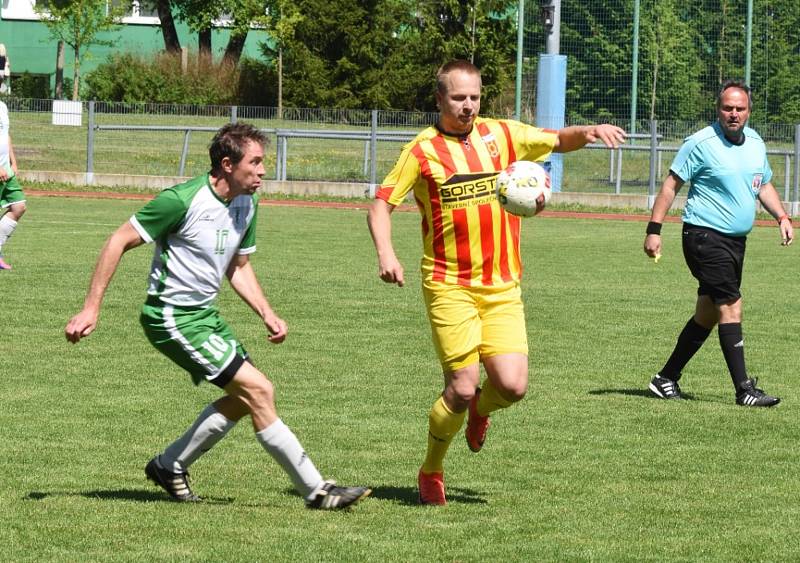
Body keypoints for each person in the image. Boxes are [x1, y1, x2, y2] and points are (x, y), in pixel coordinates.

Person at [65, 123, 370, 509]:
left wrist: (266, 312)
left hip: (205, 317)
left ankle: (169, 464)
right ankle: (318, 491)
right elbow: (117, 240)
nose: (263, 171)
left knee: (244, 399)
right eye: (255, 162)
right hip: (171, 317)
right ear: (227, 164)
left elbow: (238, 266)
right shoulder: (181, 200)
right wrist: (91, 307)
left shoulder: (249, 201)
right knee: (260, 391)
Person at [367, 60, 626, 505]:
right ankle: (431, 469)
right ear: (439, 100)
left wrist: (589, 130)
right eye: (458, 98)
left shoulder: (503, 134)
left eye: (474, 97)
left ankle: (480, 413)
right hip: (449, 283)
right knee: (462, 386)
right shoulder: (422, 150)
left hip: (502, 284)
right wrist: (387, 254)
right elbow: (382, 202)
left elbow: (556, 139)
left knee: (512, 387)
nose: (468, 106)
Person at [644, 79, 793, 407]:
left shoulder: (755, 142)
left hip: (735, 243)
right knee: (731, 305)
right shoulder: (701, 143)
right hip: (703, 237)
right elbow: (671, 186)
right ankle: (744, 390)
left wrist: (782, 216)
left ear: (749, 111)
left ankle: (665, 378)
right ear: (718, 110)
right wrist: (654, 229)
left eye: (740, 108)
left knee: (707, 314)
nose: (734, 114)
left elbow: (763, 185)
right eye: (728, 108)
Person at [0, 93, 25, 270]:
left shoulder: (2, 106)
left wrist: (13, 161)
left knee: (19, 206)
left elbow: (6, 136)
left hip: (6, 171)